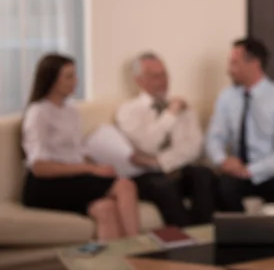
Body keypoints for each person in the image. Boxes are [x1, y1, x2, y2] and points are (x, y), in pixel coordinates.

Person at [21, 54, 140, 241]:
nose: (75, 81)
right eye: (68, 76)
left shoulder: (71, 111)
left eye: (75, 75)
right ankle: (140, 250)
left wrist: (98, 167)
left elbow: (76, 154)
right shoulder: (38, 112)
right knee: (125, 186)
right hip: (44, 186)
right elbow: (39, 167)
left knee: (105, 208)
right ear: (51, 79)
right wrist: (91, 169)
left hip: (72, 180)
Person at [116, 52, 215, 227]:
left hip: (176, 169)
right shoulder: (128, 111)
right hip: (147, 176)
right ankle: (187, 238)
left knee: (204, 175)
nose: (163, 81)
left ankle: (206, 233)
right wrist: (171, 114)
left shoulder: (183, 106)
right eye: (155, 76)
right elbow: (148, 144)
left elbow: (194, 148)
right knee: (163, 185)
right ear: (138, 80)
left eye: (165, 74)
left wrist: (160, 162)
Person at [205, 38, 274, 212]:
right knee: (221, 186)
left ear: (254, 63)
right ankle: (237, 237)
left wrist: (250, 170)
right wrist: (223, 161)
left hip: (271, 171)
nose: (229, 70)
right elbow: (214, 137)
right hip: (237, 172)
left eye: (234, 63)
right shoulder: (227, 97)